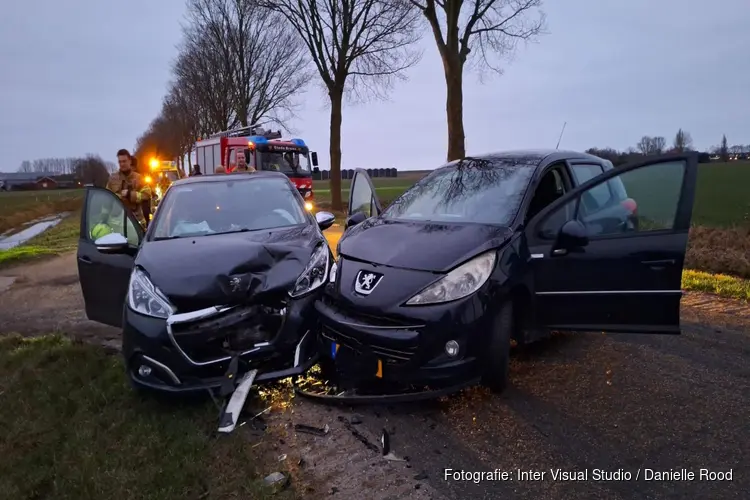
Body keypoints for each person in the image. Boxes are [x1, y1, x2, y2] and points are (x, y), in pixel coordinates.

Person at [107, 149, 151, 227]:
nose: (122, 164)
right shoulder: (112, 179)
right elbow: (106, 198)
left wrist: (130, 194)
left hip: (136, 221)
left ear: (130, 161)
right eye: (120, 162)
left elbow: (147, 194)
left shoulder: (139, 178)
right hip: (117, 222)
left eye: (124, 161)